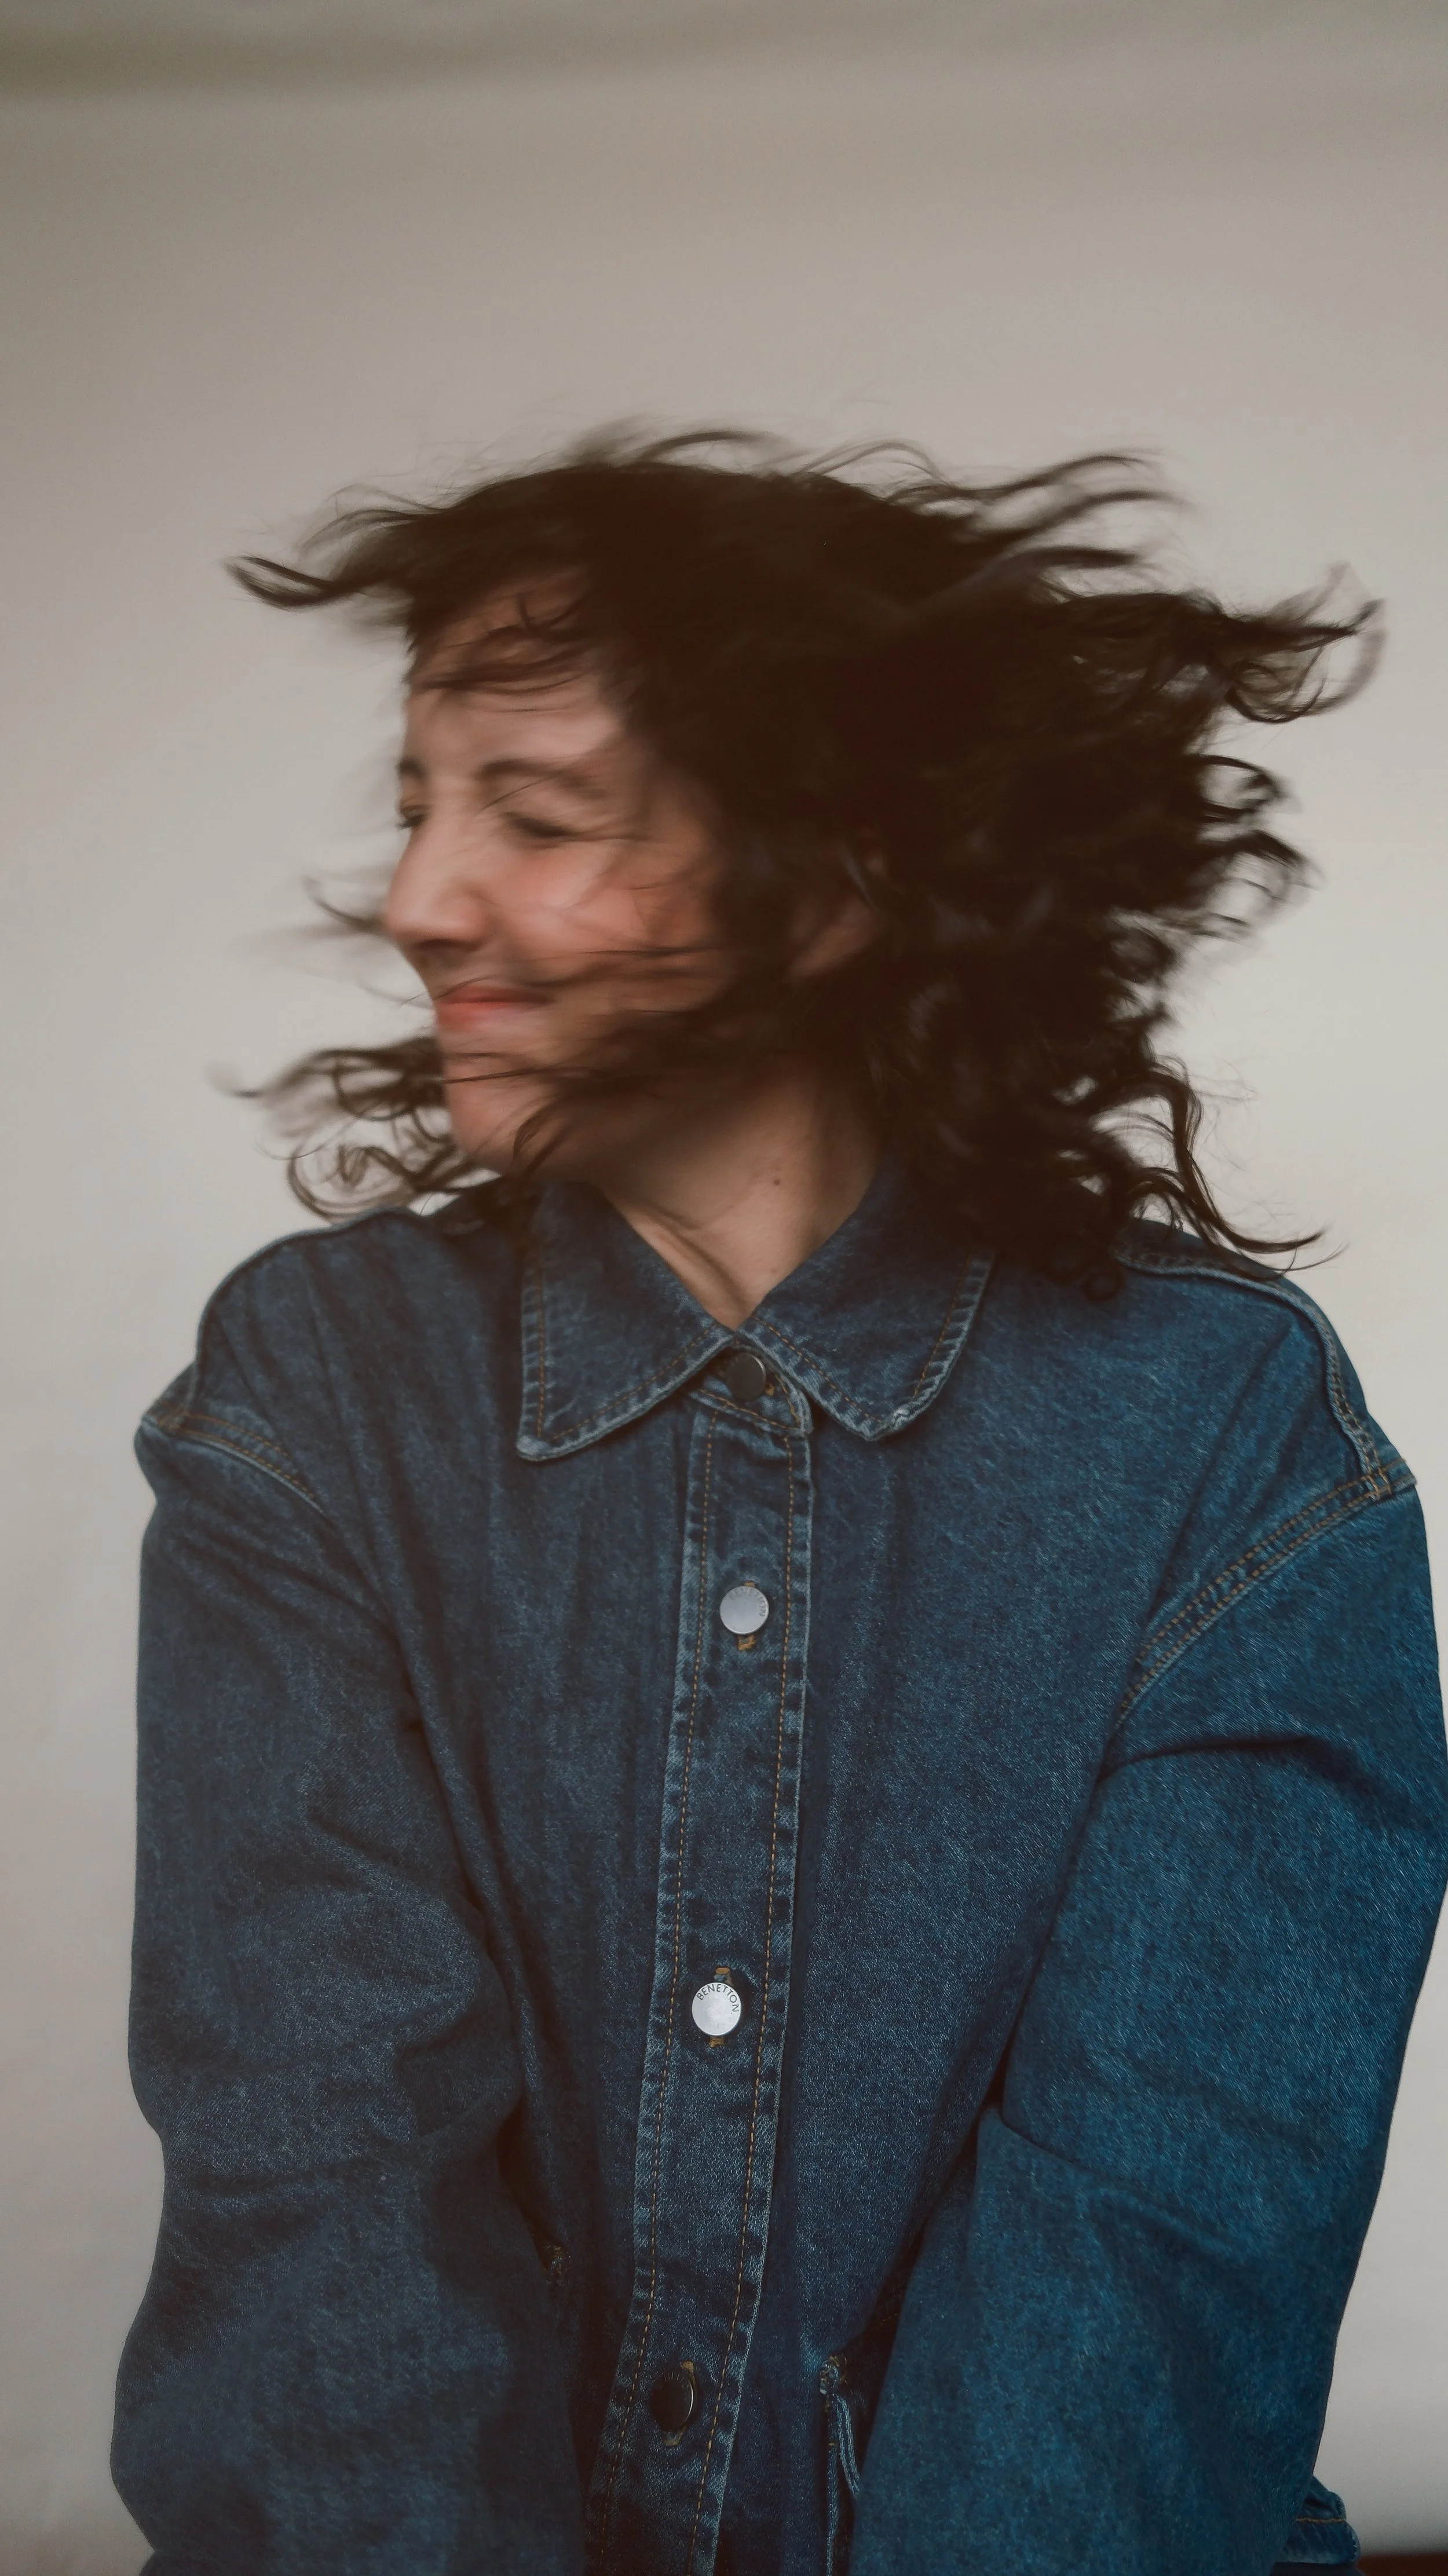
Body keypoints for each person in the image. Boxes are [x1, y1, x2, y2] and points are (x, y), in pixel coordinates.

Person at [113, 433, 1447, 2576]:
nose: (421, 898)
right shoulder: (317, 1394)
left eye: (534, 817)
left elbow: (1156, 2261)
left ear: (838, 883)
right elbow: (318, 2189)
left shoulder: (1223, 1435)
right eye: (417, 807)